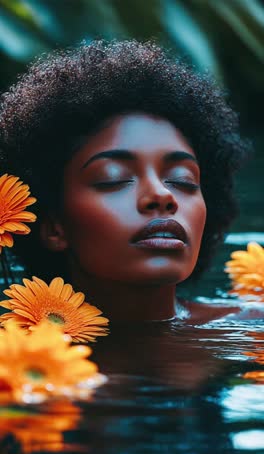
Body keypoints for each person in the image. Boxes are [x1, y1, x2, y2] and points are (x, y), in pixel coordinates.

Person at [0, 39, 250, 323]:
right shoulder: (15, 354)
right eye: (113, 178)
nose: (161, 195)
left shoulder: (255, 331)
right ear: (54, 227)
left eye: (183, 181)